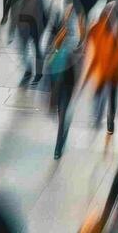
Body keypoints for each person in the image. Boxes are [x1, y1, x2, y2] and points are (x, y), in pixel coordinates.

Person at [83, 2, 118, 133]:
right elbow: (91, 37)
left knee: (110, 96)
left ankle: (109, 121)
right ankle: (98, 118)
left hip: (113, 71)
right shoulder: (101, 26)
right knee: (99, 94)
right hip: (103, 69)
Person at [6, 0, 48, 84]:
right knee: (23, 51)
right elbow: (12, 13)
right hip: (23, 28)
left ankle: (38, 73)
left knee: (36, 50)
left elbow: (45, 15)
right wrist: (11, 30)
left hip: (35, 28)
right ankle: (29, 71)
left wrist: (42, 29)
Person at [47, 24, 77, 159]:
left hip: (63, 91)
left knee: (62, 118)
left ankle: (58, 147)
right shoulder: (55, 54)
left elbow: (72, 76)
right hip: (59, 91)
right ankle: (59, 144)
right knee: (62, 118)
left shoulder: (64, 54)